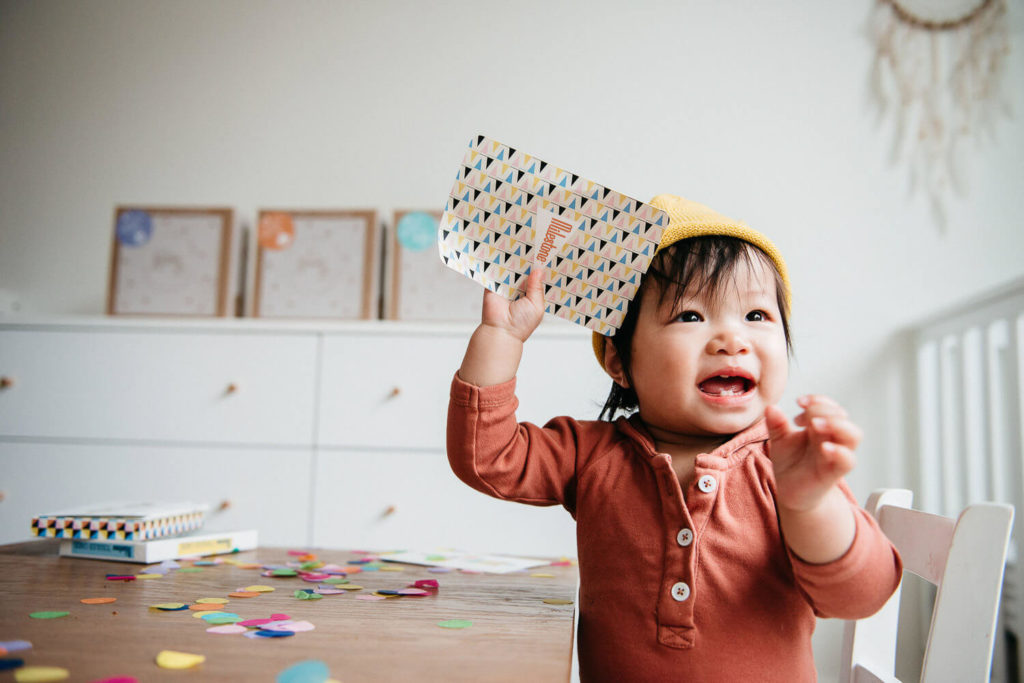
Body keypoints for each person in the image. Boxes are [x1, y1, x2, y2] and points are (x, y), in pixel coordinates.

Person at [447, 194, 901, 681]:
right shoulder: (590, 453)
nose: (732, 340)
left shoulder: (790, 467)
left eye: (756, 316)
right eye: (690, 316)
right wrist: (501, 337)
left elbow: (861, 596)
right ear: (621, 362)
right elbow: (487, 458)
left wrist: (810, 505)